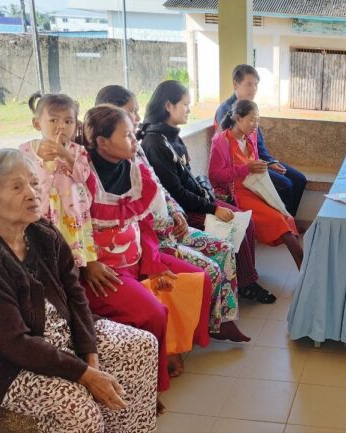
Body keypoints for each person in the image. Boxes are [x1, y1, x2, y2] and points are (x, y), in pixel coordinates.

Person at [0, 149, 157, 433]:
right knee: (77, 409)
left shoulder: (41, 231)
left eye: (33, 182)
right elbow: (14, 342)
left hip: (58, 335)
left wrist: (89, 351)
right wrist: (85, 374)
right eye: (17, 187)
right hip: (4, 364)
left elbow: (74, 292)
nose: (32, 193)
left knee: (140, 346)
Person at [95, 85, 248, 342]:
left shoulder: (136, 150)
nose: (137, 118)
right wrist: (174, 221)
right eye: (131, 112)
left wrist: (176, 212)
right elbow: (135, 215)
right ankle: (208, 325)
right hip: (156, 239)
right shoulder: (127, 156)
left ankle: (223, 318)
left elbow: (161, 188)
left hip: (173, 225)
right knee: (210, 269)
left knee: (224, 248)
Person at [81, 104, 213, 391]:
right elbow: (70, 229)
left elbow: (144, 224)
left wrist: (153, 264)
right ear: (102, 142)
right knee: (153, 313)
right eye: (127, 135)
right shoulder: (81, 178)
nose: (134, 141)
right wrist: (87, 263)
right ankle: (154, 379)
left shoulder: (135, 171)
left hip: (138, 257)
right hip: (104, 271)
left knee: (198, 279)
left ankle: (171, 346)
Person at [140, 80, 277, 304]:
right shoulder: (155, 143)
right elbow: (176, 193)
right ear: (168, 106)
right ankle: (246, 284)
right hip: (182, 213)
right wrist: (213, 208)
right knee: (236, 223)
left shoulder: (170, 136)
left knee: (246, 221)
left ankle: (245, 280)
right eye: (185, 104)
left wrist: (208, 197)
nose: (189, 109)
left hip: (198, 201)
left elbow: (187, 179)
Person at [210, 99, 303, 269]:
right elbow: (215, 176)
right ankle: (304, 268)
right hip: (237, 194)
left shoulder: (250, 138)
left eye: (258, 121)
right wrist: (245, 169)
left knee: (287, 217)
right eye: (252, 120)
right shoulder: (221, 141)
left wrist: (268, 164)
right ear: (238, 118)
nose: (255, 125)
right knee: (278, 220)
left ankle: (303, 268)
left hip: (255, 188)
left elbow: (253, 162)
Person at [215, 64, 307, 217]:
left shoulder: (249, 107)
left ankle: (289, 221)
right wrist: (263, 165)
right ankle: (282, 222)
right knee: (285, 185)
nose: (253, 89)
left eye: (256, 85)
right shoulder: (226, 111)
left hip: (259, 160)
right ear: (235, 84)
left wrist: (270, 162)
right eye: (249, 84)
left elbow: (258, 145)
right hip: (243, 169)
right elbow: (233, 150)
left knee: (299, 179)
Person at [18, 92, 97, 268]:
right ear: (37, 124)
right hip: (39, 213)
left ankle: (72, 276)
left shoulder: (78, 151)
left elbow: (82, 177)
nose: (61, 126)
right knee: (42, 256)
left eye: (68, 121)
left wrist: (65, 156)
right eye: (53, 120)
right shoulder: (26, 151)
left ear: (76, 125)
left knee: (69, 256)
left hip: (69, 214)